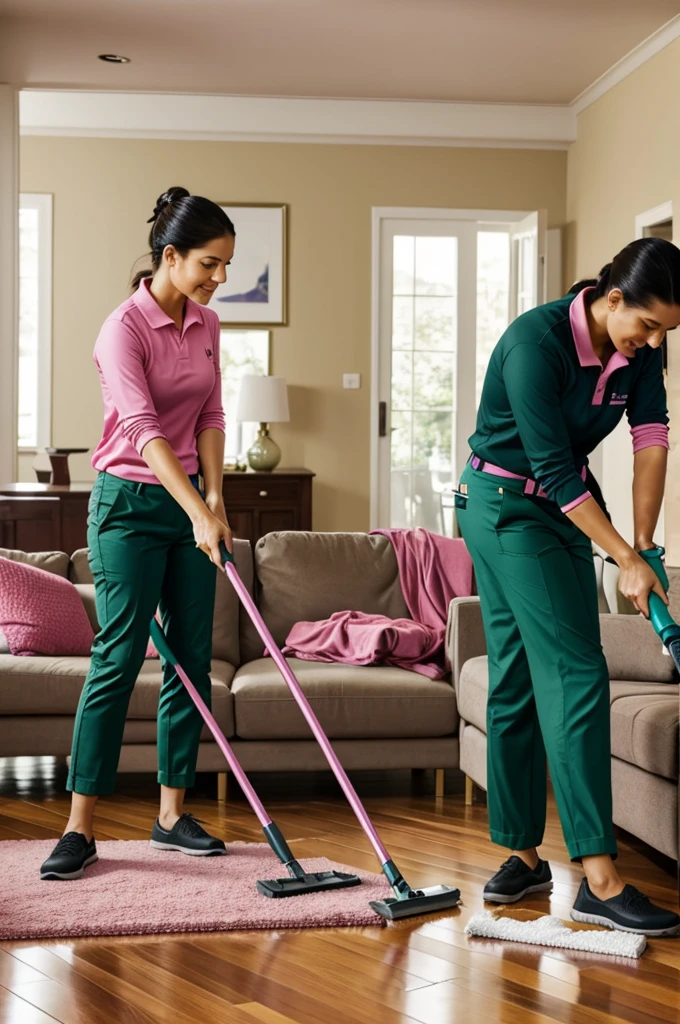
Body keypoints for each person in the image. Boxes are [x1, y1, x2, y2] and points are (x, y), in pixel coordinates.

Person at [457, 237, 680, 936]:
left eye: (664, 333)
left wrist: (642, 544)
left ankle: (522, 858)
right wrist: (619, 556)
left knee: (520, 673)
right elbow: (554, 472)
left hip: (562, 503)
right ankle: (599, 877)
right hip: (502, 506)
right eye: (646, 325)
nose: (652, 343)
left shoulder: (639, 351)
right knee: (580, 671)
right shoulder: (537, 343)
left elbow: (651, 441)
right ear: (614, 299)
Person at [40, 187, 236, 880]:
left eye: (225, 268)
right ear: (171, 254)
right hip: (127, 504)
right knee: (118, 658)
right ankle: (79, 826)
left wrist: (215, 495)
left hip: (187, 503)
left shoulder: (207, 325)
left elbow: (211, 414)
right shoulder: (121, 329)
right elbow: (144, 430)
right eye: (209, 265)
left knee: (190, 658)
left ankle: (171, 814)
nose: (218, 281)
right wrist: (195, 509)